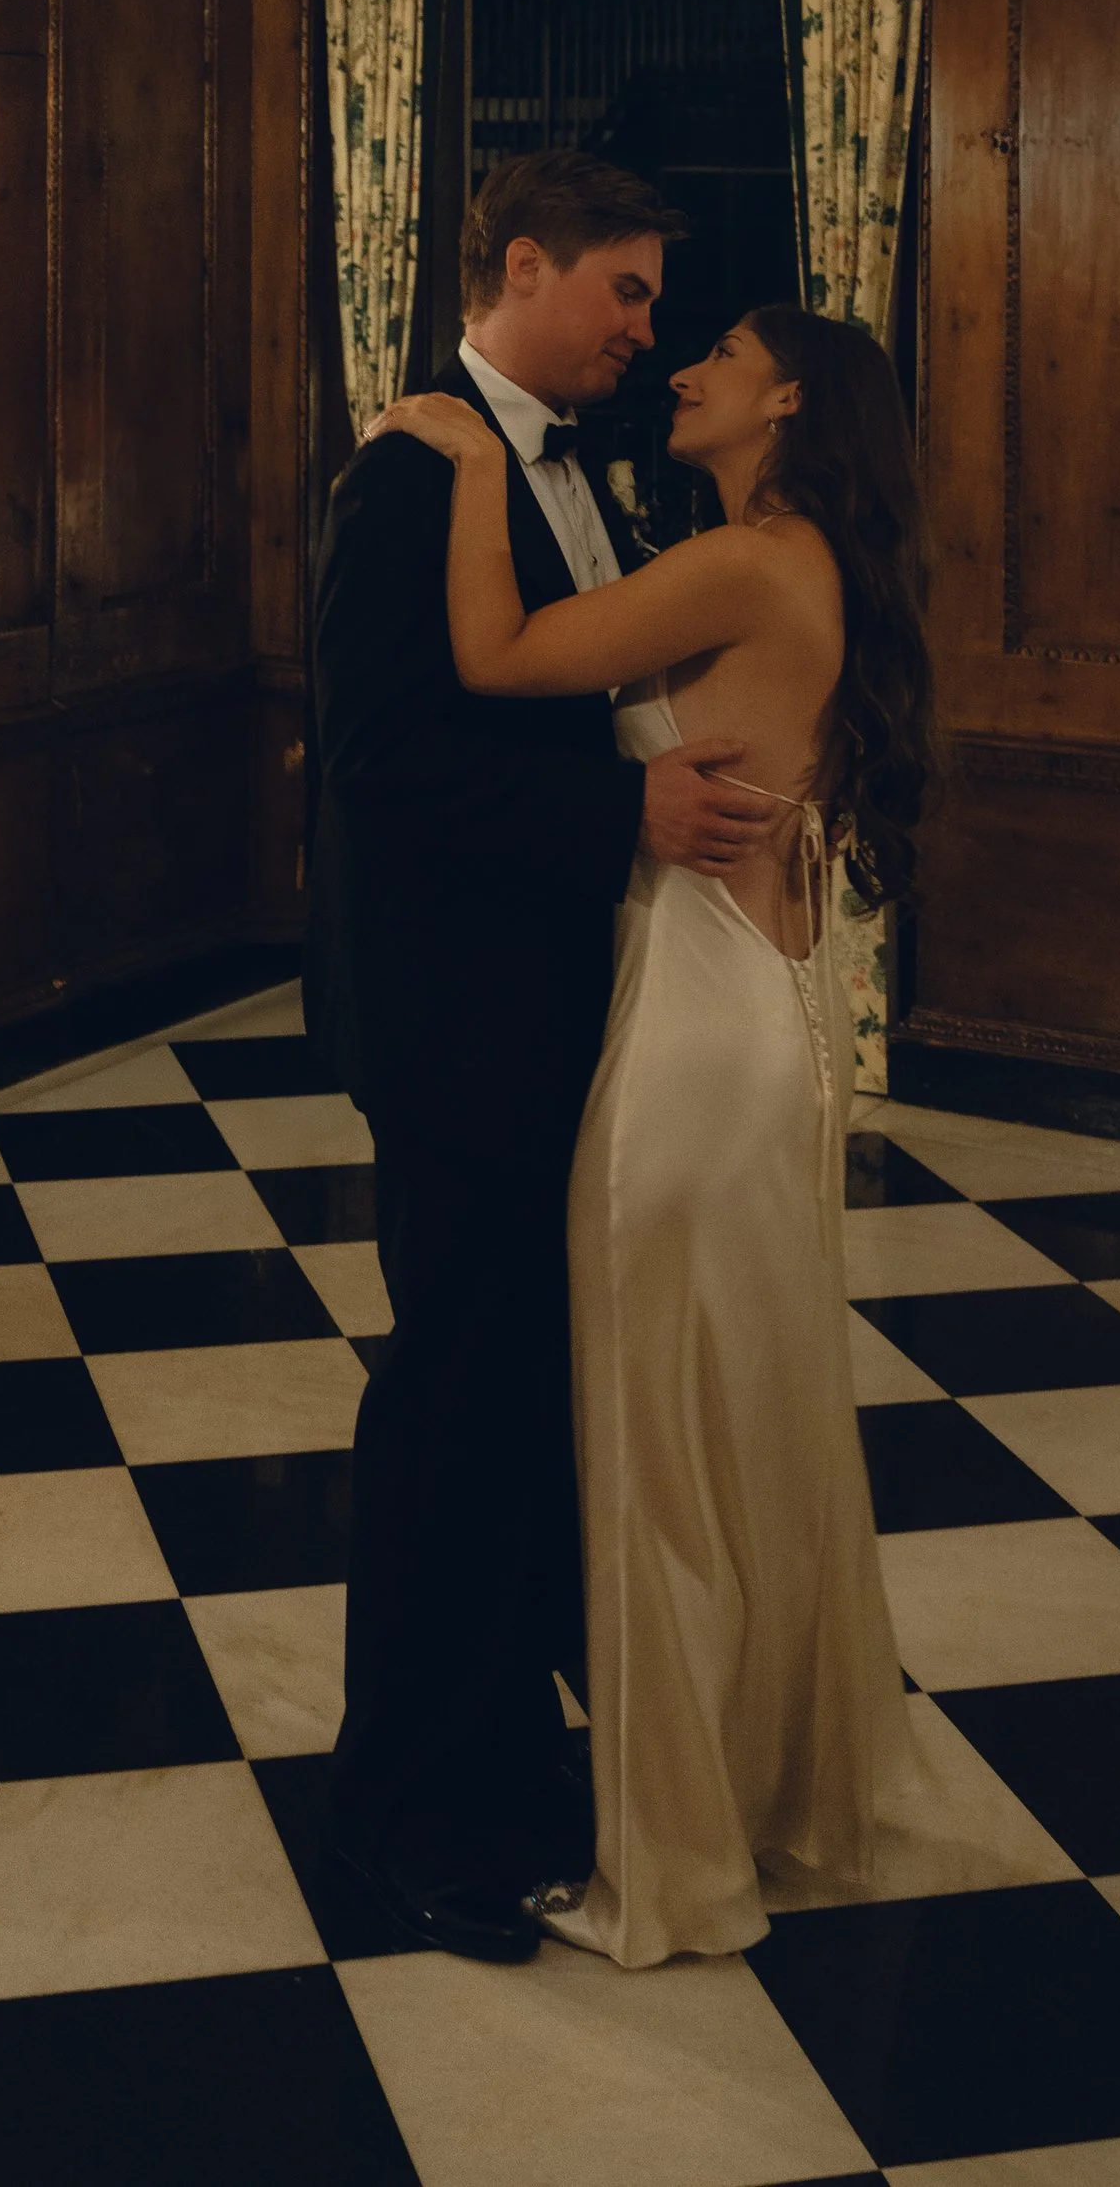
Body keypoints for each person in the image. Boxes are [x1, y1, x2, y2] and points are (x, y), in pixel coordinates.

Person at [373, 296, 944, 1966]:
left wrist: (468, 457)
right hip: (752, 1021)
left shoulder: (752, 559)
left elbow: (491, 658)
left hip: (690, 1048)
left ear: (784, 402)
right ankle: (744, 1797)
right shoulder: (795, 560)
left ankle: (676, 1858)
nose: (680, 364)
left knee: (658, 1457)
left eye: (718, 354)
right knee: (734, 1431)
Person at [304, 150, 777, 1966]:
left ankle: (509, 1770)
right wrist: (620, 809)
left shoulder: (585, 477)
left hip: (558, 1011)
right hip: (451, 1021)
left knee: (527, 1409)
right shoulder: (406, 470)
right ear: (526, 264)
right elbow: (379, 763)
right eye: (628, 293)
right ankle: (399, 1816)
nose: (646, 332)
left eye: (659, 304)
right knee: (455, 1403)